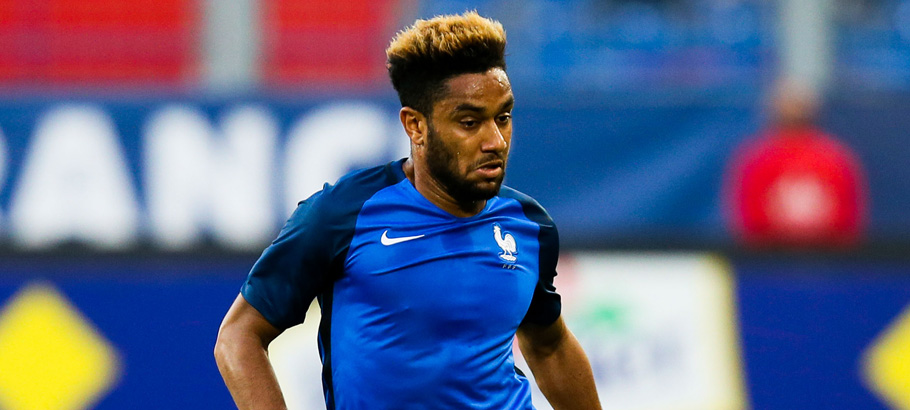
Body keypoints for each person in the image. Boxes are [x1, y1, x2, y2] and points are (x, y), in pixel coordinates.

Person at [214, 11, 602, 410]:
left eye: (502, 118)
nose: (495, 140)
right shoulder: (342, 215)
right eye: (469, 122)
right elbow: (239, 336)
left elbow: (549, 345)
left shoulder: (529, 227)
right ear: (415, 126)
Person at [723, 79, 867, 249]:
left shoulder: (834, 158)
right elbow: (748, 217)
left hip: (826, 258)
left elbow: (849, 216)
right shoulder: (757, 159)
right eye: (789, 103)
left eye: (799, 104)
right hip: (770, 258)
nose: (794, 109)